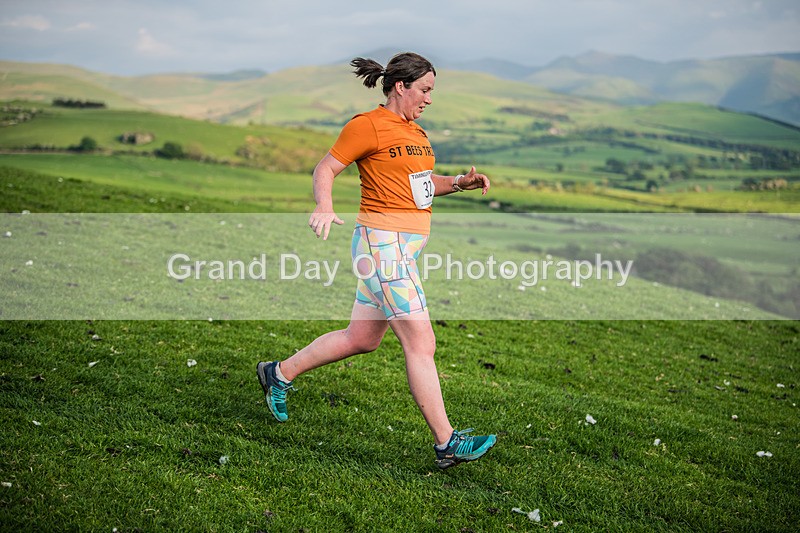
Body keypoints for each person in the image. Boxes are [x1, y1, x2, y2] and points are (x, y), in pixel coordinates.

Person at [257, 52, 496, 469]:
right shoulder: (367, 125)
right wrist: (324, 205)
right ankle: (446, 443)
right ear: (400, 86)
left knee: (361, 339)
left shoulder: (416, 133)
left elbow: (421, 185)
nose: (429, 99)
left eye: (432, 91)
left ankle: (278, 374)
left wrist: (460, 182)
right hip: (382, 246)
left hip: (402, 248)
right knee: (421, 342)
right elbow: (326, 168)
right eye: (424, 90)